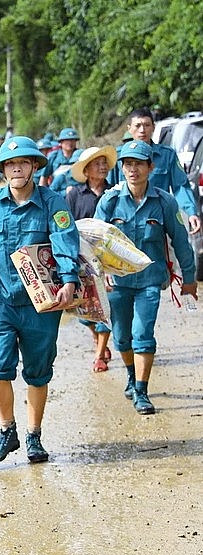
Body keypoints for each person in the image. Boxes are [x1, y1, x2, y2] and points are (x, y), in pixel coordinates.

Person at [0, 136, 80, 465]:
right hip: (1, 301)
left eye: (23, 162)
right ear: (3, 169)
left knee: (38, 372)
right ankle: (6, 431)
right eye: (10, 164)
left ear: (35, 166)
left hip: (42, 305)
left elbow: (65, 242)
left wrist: (68, 279)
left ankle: (34, 436)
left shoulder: (54, 203)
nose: (17, 168)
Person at [94, 140, 198, 414]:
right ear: (122, 168)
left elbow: (181, 242)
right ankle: (130, 375)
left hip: (150, 281)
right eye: (128, 164)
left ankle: (141, 390)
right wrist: (96, 278)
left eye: (139, 164)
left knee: (143, 334)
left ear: (150, 167)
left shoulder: (164, 201)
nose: (133, 169)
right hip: (117, 283)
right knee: (121, 338)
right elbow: (92, 242)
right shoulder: (110, 201)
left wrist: (189, 280)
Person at [107, 107, 202, 235]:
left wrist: (191, 212)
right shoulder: (118, 156)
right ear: (129, 128)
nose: (142, 130)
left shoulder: (167, 155)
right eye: (138, 125)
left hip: (158, 221)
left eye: (146, 125)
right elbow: (108, 190)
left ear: (153, 127)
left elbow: (180, 186)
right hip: (125, 222)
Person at [66, 145, 117, 372]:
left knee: (106, 305)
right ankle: (96, 336)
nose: (103, 167)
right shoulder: (74, 195)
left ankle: (100, 354)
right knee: (84, 309)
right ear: (86, 170)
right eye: (97, 164)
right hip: (83, 257)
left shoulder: (115, 194)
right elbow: (66, 226)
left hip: (108, 258)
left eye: (104, 163)